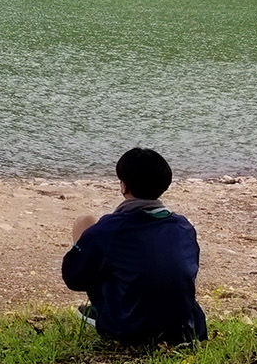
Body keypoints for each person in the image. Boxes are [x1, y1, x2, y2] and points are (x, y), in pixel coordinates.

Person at [61, 147, 208, 348]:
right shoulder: (184, 227)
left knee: (84, 222)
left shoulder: (109, 229)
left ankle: (103, 311)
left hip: (128, 329)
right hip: (185, 328)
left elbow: (73, 278)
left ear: (124, 187)